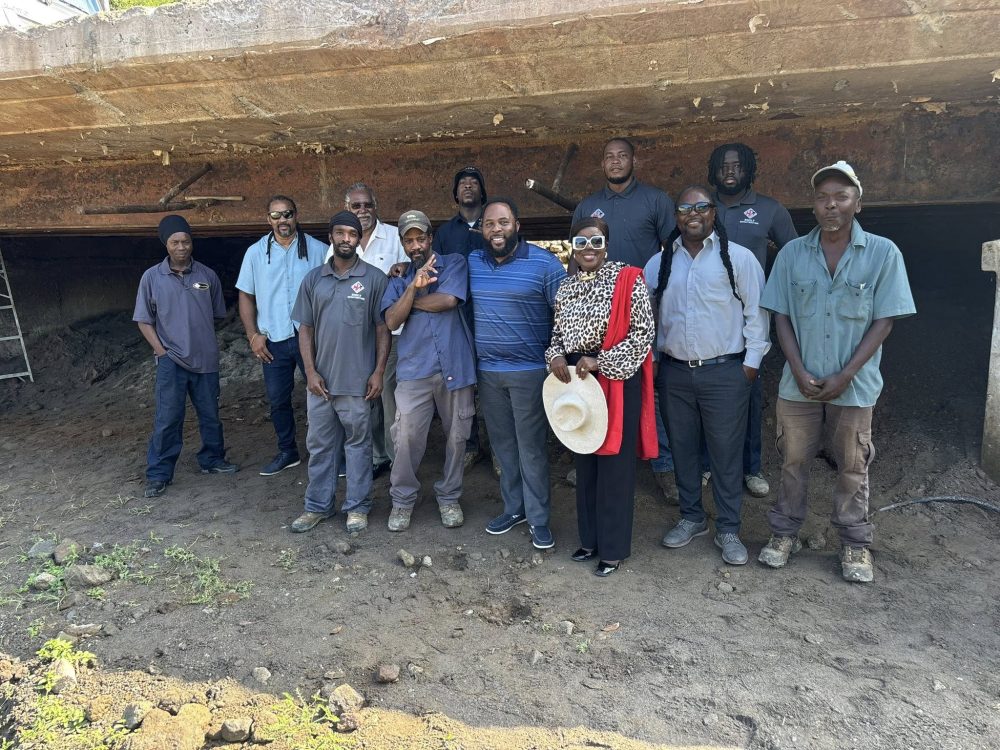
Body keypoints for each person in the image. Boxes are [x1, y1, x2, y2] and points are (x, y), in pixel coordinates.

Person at [757, 161, 915, 583]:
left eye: (841, 197)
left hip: (855, 385)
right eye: (823, 197)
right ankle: (784, 533)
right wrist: (797, 368)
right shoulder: (792, 254)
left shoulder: (883, 253)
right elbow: (781, 317)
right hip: (799, 385)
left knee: (853, 465)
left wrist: (846, 374)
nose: (831, 205)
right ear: (813, 205)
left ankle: (854, 543)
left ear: (857, 204)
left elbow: (885, 319)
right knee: (793, 461)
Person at [645, 186, 769, 565]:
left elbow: (757, 314)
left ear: (714, 213)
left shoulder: (739, 259)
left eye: (701, 206)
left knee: (725, 454)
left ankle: (729, 528)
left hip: (726, 373)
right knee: (682, 449)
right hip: (675, 373)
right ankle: (692, 517)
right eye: (685, 208)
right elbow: (646, 318)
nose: (693, 213)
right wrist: (653, 361)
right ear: (676, 216)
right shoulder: (659, 263)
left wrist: (750, 365)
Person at [546, 217, 656, 576]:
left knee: (615, 466)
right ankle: (590, 540)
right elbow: (557, 335)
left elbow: (643, 334)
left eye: (596, 241)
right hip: (578, 382)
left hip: (615, 378)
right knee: (586, 461)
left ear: (606, 245)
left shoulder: (628, 279)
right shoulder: (566, 288)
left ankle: (612, 549)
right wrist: (556, 356)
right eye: (581, 242)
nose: (588, 249)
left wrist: (602, 361)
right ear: (573, 247)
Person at [572, 137, 677, 497]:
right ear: (602, 163)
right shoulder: (589, 205)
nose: (615, 162)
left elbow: (673, 253)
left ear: (635, 160)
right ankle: (591, 454)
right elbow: (576, 260)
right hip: (594, 316)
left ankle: (662, 464)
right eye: (609, 156)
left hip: (638, 309)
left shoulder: (656, 200)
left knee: (647, 387)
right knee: (592, 386)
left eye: (622, 156)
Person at [470, 198, 566, 549]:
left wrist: (558, 356)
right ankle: (515, 509)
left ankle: (539, 519)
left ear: (517, 226)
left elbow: (565, 316)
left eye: (503, 222)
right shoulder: (472, 262)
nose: (496, 229)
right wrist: (401, 268)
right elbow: (437, 270)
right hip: (488, 372)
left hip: (530, 372)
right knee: (504, 447)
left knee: (531, 448)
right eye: (489, 224)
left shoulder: (545, 264)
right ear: (482, 230)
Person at [707, 143, 799, 498]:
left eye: (737, 165)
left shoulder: (769, 209)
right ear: (713, 171)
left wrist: (774, 295)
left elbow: (794, 256)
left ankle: (751, 468)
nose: (730, 171)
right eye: (723, 165)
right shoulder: (702, 207)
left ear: (749, 169)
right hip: (706, 319)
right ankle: (706, 464)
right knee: (703, 396)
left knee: (746, 393)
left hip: (749, 321)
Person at [289, 211, 390, 534]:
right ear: (331, 236)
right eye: (340, 232)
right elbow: (305, 329)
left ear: (359, 239)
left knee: (359, 446)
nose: (346, 238)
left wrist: (378, 372)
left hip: (357, 383)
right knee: (320, 446)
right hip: (320, 384)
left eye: (352, 234)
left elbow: (382, 329)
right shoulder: (313, 279)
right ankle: (317, 506)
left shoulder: (374, 279)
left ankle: (357, 507)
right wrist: (310, 371)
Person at [380, 210, 476, 531]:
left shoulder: (454, 264)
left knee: (458, 437)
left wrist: (408, 303)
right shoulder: (398, 278)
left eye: (421, 238)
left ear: (431, 238)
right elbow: (391, 321)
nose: (416, 245)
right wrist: (410, 289)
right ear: (402, 244)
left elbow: (448, 300)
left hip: (455, 366)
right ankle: (402, 500)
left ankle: (449, 496)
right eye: (409, 241)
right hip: (414, 369)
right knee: (405, 436)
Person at [134, 215, 238, 498]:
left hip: (205, 360)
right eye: (175, 242)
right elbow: (144, 320)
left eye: (186, 241)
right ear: (165, 245)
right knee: (168, 418)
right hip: (172, 362)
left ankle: (212, 460)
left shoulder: (207, 276)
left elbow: (216, 313)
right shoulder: (152, 277)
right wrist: (162, 352)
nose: (181, 247)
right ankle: (159, 474)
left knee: (210, 415)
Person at [237, 195, 328, 476]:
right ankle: (288, 452)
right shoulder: (254, 253)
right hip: (273, 339)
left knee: (323, 394)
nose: (282, 220)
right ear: (268, 219)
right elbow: (246, 295)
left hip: (310, 337)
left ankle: (330, 452)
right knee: (277, 400)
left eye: (287, 214)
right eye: (275, 216)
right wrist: (252, 335)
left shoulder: (319, 250)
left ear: (296, 215)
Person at [325, 182, 408, 478]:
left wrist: (403, 268)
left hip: (391, 335)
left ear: (376, 207)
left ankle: (397, 460)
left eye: (367, 205)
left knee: (389, 398)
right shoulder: (339, 242)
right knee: (364, 399)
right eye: (356, 206)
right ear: (347, 208)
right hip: (355, 339)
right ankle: (376, 456)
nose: (362, 210)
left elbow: (411, 273)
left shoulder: (394, 237)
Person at [432, 166, 489, 469]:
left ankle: (499, 450)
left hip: (491, 314)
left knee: (491, 382)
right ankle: (471, 445)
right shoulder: (444, 233)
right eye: (462, 184)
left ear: (482, 191)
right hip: (457, 315)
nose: (468, 186)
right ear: (455, 194)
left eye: (473, 183)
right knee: (463, 382)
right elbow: (433, 271)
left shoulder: (494, 224)